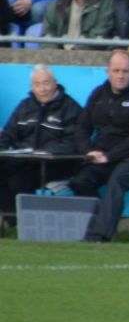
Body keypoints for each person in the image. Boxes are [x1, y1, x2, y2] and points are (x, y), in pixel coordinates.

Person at [67, 50, 129, 243]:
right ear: (107, 72)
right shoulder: (98, 94)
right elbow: (82, 126)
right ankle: (97, 225)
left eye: (125, 71)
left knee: (117, 182)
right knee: (80, 181)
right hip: (104, 158)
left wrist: (109, 156)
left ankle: (100, 236)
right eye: (116, 70)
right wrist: (87, 151)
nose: (121, 75)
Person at [0, 65, 81, 224]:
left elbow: (72, 143)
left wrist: (43, 153)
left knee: (18, 181)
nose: (42, 89)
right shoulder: (24, 106)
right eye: (37, 84)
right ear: (32, 86)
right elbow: (8, 135)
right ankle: (12, 221)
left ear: (55, 83)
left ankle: (22, 223)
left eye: (46, 83)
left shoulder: (70, 108)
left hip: (54, 164)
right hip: (22, 161)